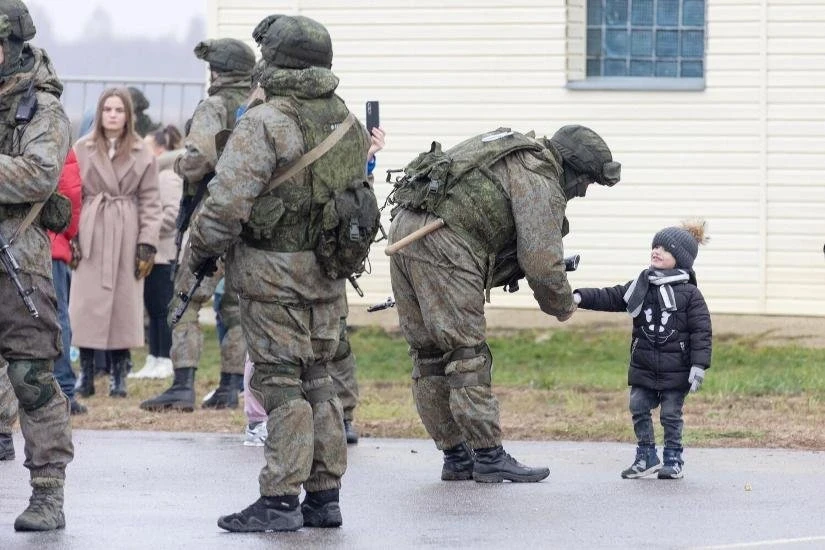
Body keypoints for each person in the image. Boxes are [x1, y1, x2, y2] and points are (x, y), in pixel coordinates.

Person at [189, 14, 371, 532]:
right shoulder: (346, 120)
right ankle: (324, 497)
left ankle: (280, 499)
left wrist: (200, 251)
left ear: (275, 61)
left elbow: (226, 203)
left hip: (271, 276)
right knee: (320, 379)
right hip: (327, 273)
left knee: (280, 381)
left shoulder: (265, 120)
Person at [387, 124, 621, 483]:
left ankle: (456, 456)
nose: (584, 192)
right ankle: (488, 455)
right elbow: (542, 263)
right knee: (465, 353)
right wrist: (562, 305)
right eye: (587, 182)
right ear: (574, 170)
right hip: (445, 241)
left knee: (429, 353)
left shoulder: (511, 152)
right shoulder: (540, 177)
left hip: (406, 228)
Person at [140, 37, 255, 412]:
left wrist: (179, 165)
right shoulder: (259, 105)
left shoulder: (215, 105)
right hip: (252, 217)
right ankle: (230, 386)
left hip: (214, 214)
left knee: (185, 300)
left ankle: (183, 384)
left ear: (217, 71)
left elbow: (200, 156)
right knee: (235, 305)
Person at [0, 0, 75, 530]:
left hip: (17, 262)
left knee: (31, 378)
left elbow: (39, 174)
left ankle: (48, 494)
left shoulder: (40, 107)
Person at [573, 220, 712, 479]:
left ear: (681, 259)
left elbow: (701, 332)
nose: (657, 251)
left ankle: (673, 459)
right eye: (655, 246)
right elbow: (611, 296)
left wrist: (699, 365)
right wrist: (579, 297)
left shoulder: (690, 294)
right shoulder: (641, 285)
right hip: (644, 365)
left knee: (670, 415)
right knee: (638, 406)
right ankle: (646, 456)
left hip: (676, 368)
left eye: (665, 249)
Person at [69, 87, 162, 399]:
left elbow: (151, 200)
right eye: (107, 109)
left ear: (128, 115)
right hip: (91, 231)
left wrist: (147, 243)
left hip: (126, 232)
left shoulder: (141, 151)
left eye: (118, 110)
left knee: (124, 305)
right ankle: (86, 373)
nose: (112, 115)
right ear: (99, 113)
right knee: (85, 305)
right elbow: (71, 194)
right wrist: (72, 236)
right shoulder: (82, 148)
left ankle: (119, 375)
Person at [332, 125, 385, 445]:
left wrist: (367, 160)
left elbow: (357, 199)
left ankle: (343, 416)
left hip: (326, 265)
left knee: (336, 344)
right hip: (289, 263)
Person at [130, 125, 183, 379]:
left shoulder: (168, 176)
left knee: (163, 309)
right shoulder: (153, 176)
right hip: (154, 254)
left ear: (160, 149)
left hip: (165, 253)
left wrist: (147, 228)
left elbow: (172, 215)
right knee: (153, 308)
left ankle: (166, 358)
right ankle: (154, 357)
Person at [49, 149, 85, 414]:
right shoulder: (54, 135)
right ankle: (64, 390)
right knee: (57, 315)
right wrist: (68, 233)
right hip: (51, 240)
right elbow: (70, 193)